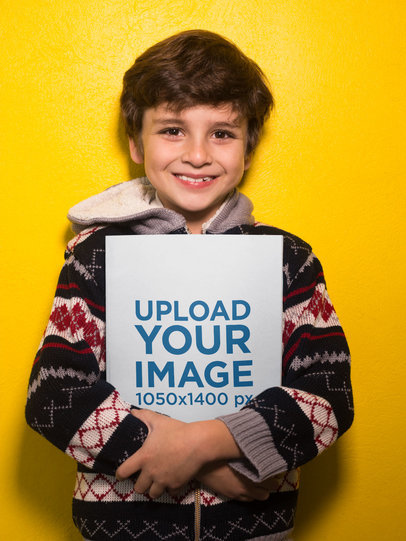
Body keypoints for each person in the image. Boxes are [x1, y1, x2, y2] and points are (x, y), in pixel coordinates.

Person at [25, 29, 354, 541]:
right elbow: (56, 394)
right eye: (173, 130)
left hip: (252, 529)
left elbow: (327, 397)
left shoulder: (289, 260)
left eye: (222, 133)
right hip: (123, 528)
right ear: (136, 143)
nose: (198, 154)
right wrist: (199, 463)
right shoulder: (95, 258)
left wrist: (207, 441)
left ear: (248, 149)